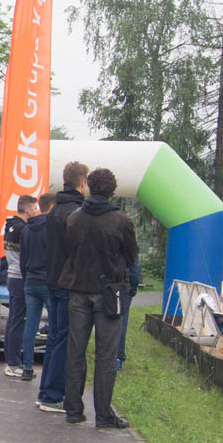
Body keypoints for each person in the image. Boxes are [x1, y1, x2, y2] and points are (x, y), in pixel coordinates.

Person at [59, 167, 138, 429]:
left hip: (78, 290)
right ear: (112, 190)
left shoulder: (74, 218)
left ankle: (73, 409)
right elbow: (131, 257)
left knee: (76, 351)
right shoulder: (121, 221)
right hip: (109, 293)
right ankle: (103, 415)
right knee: (106, 355)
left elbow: (68, 249)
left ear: (89, 186)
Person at [36, 161, 89, 413]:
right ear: (82, 183)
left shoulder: (55, 209)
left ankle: (46, 391)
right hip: (69, 283)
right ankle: (52, 395)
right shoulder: (77, 212)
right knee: (64, 339)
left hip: (53, 280)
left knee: (55, 338)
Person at [20, 192, 57, 380]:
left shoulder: (26, 229)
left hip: (30, 281)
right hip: (48, 282)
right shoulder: (52, 227)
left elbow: (22, 259)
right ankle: (51, 368)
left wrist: (27, 277)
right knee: (55, 325)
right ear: (50, 207)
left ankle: (27, 368)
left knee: (31, 326)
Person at [2, 195, 37, 377]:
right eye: (35, 208)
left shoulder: (11, 226)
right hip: (20, 277)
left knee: (13, 320)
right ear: (27, 209)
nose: (37, 212)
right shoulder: (23, 230)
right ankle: (13, 363)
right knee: (17, 321)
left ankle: (11, 360)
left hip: (12, 276)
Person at [116, 260, 142, 370]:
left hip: (108, 286)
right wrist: (133, 288)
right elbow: (135, 269)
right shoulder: (129, 244)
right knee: (122, 321)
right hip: (125, 286)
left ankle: (105, 353)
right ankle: (118, 358)